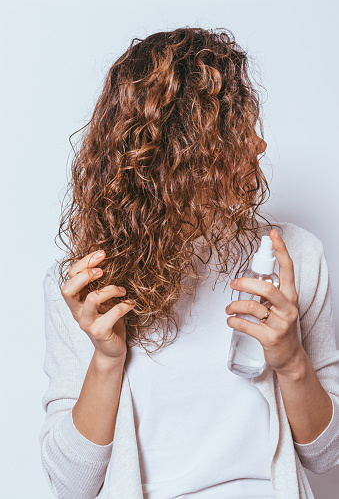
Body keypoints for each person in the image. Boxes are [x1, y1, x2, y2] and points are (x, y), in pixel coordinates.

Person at [40, 27, 339, 499]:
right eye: (239, 128)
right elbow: (72, 485)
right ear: (184, 149)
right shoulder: (89, 288)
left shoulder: (295, 257)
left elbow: (328, 458)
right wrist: (106, 359)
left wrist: (291, 360)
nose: (260, 146)